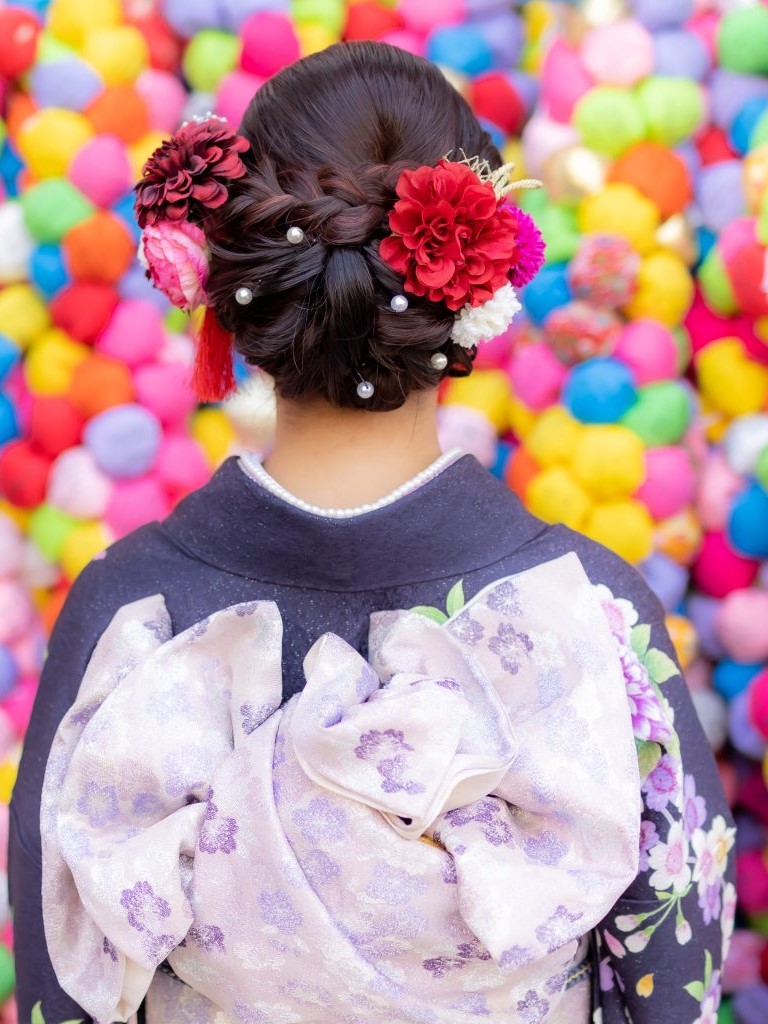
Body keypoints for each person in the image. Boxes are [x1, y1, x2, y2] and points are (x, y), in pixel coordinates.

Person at [10, 41, 734, 1024]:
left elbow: (60, 982)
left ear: (230, 281)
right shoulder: (589, 610)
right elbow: (672, 980)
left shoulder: (130, 612)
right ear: (479, 288)